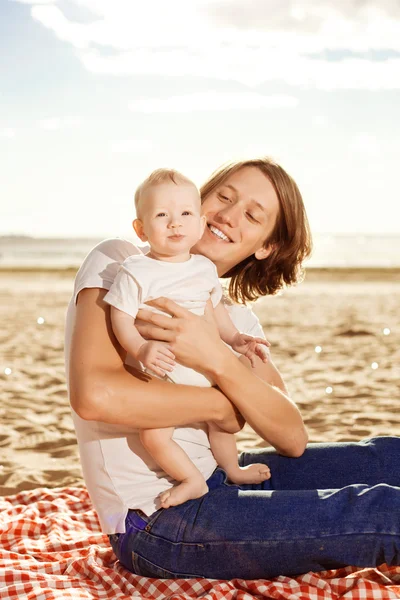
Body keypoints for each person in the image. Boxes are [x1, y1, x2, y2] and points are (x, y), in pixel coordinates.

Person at [66, 157, 400, 580]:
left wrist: (218, 357)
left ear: (266, 246)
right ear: (199, 199)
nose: (227, 215)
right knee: (385, 510)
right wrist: (218, 406)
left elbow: (291, 436)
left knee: (391, 457)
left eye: (251, 215)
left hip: (224, 476)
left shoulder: (237, 322)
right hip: (158, 521)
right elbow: (94, 396)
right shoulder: (122, 262)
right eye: (223, 196)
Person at [103, 167, 271, 509]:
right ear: (141, 228)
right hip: (167, 373)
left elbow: (215, 312)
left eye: (185, 214)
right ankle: (191, 479)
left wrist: (237, 339)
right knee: (154, 435)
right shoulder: (136, 270)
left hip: (205, 368)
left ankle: (232, 469)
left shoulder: (203, 268)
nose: (175, 223)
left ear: (199, 223)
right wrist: (141, 347)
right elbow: (120, 316)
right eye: (162, 215)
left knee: (221, 426)